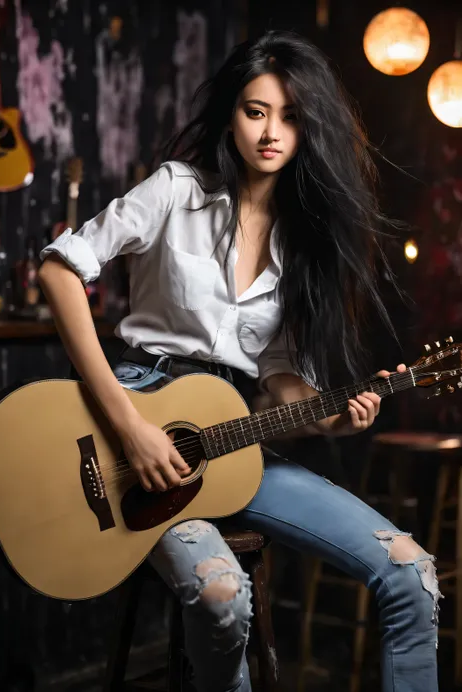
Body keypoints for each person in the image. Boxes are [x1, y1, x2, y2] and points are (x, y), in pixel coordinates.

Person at [38, 30, 440, 692]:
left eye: (290, 116)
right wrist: (129, 427)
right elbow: (59, 270)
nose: (271, 131)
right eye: (256, 111)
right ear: (232, 114)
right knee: (225, 601)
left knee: (412, 573)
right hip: (140, 419)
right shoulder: (176, 190)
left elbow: (277, 379)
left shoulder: (303, 244)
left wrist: (330, 417)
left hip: (235, 439)